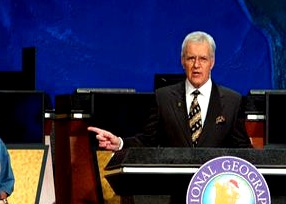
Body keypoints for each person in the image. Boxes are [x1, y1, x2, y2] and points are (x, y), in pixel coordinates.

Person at [88, 31, 252, 149]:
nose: (196, 65)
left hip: (212, 191)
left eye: (203, 59)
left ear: (212, 62)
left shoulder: (232, 101)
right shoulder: (164, 98)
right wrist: (119, 143)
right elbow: (147, 141)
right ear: (182, 61)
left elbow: (243, 150)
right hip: (173, 190)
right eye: (190, 58)